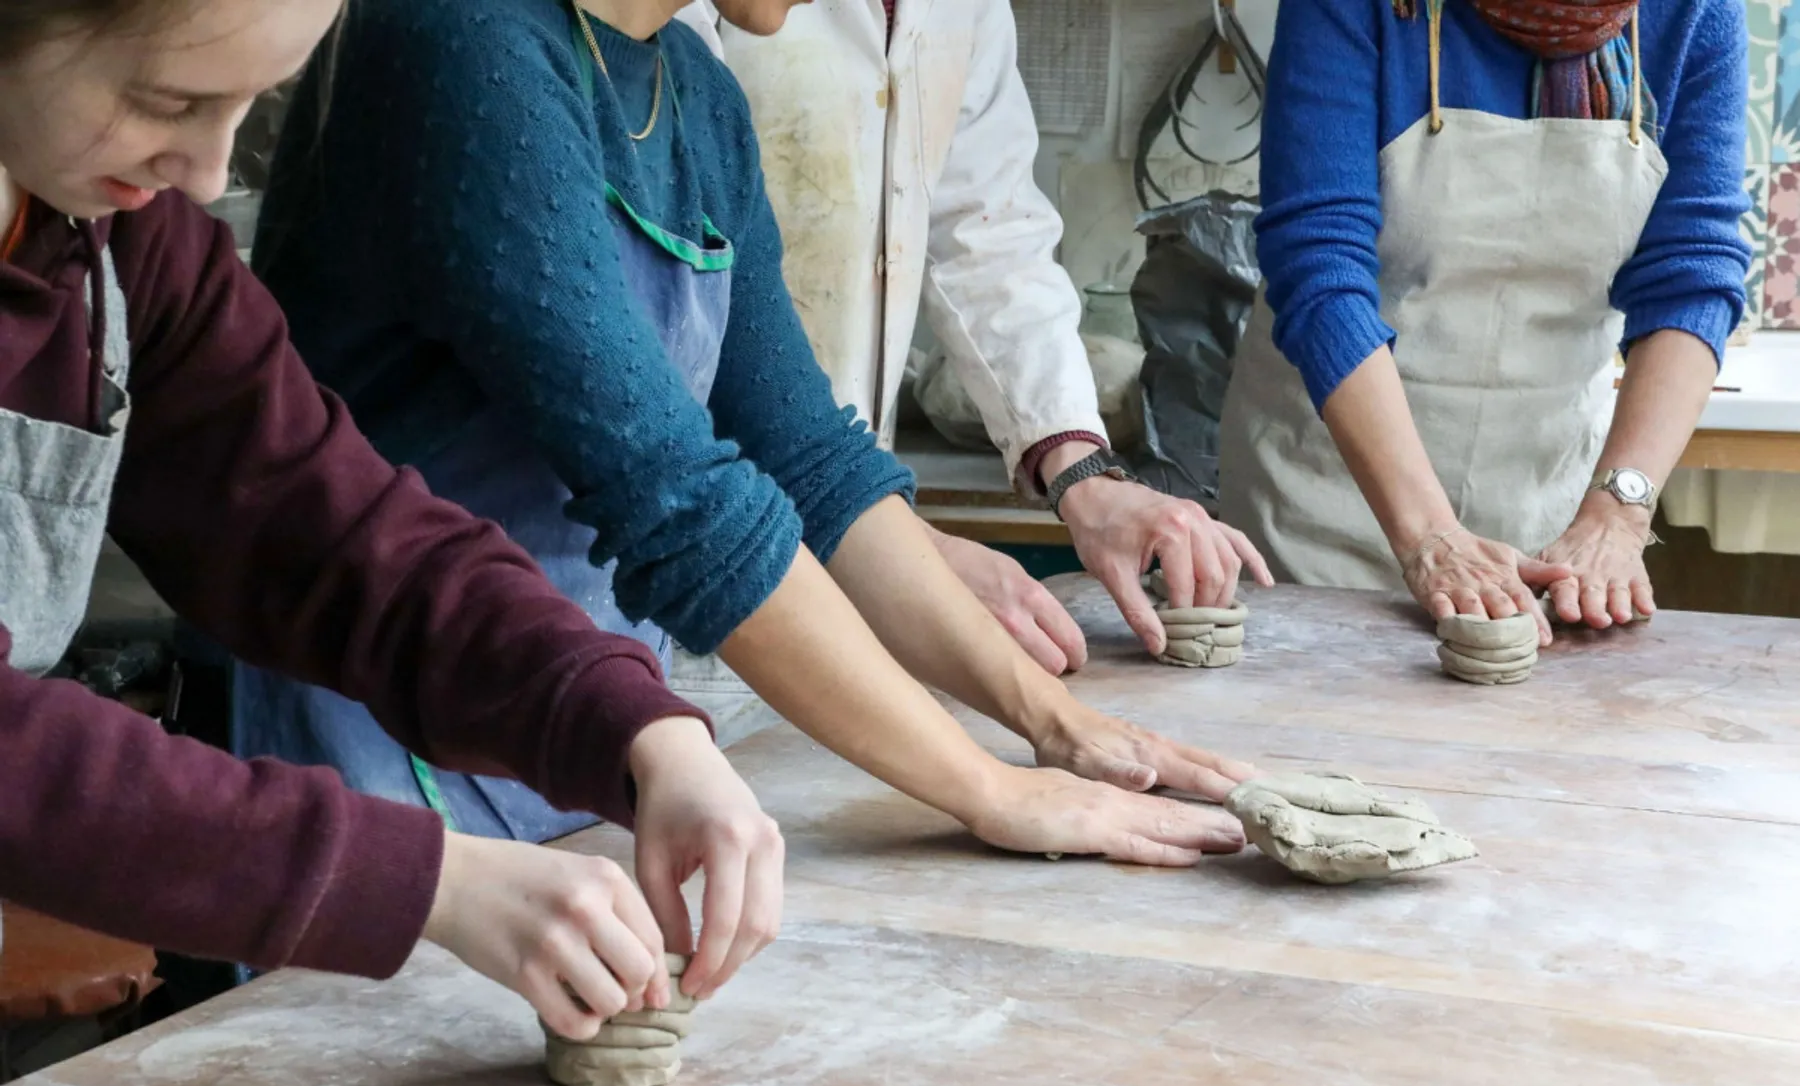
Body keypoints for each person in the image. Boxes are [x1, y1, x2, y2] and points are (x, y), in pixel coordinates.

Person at [244, 0, 1256, 868]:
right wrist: (989, 791)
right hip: (381, 739)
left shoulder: (695, 94)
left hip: (579, 727)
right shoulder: (463, 43)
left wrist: (1057, 728)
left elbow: (811, 461)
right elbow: (680, 504)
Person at [0, 0, 787, 1044]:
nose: (204, 168)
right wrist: (425, 879)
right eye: (169, 101)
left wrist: (632, 726)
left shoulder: (119, 245)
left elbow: (335, 535)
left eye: (249, 106)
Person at [675, 0, 1273, 675]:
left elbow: (988, 233)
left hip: (838, 508)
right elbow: (678, 308)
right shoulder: (690, 19)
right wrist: (899, 554)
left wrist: (1083, 473)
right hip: (681, 521)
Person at [1219, 0, 1749, 641]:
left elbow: (1692, 273)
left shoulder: (1696, 13)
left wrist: (1617, 512)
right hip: (1324, 499)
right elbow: (1320, 266)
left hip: (1544, 505)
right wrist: (1429, 536)